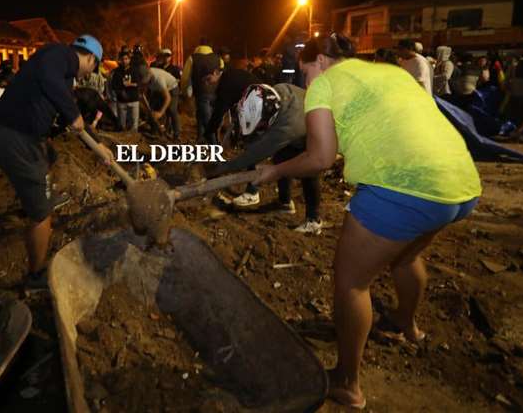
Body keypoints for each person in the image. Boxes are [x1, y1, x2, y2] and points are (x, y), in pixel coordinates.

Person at [255, 33, 481, 409]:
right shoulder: (390, 72)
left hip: (403, 188)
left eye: (306, 71)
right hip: (460, 183)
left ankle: (347, 382)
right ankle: (407, 326)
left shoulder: (323, 85)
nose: (305, 81)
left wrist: (274, 172)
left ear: (321, 61)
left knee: (351, 283)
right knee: (406, 257)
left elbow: (319, 158)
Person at [0, 35, 113, 288]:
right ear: (89, 58)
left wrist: (97, 144)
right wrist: (72, 113)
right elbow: (50, 81)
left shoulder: (63, 77)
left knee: (49, 156)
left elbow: (71, 117)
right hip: (15, 137)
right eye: (94, 66)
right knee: (43, 215)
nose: (91, 72)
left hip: (17, 135)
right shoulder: (58, 55)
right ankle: (35, 275)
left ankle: (32, 200)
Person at [211, 83, 323, 231]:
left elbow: (252, 155)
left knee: (309, 171)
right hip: (303, 119)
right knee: (281, 159)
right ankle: (284, 203)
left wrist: (221, 168)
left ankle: (314, 220)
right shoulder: (274, 93)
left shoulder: (285, 130)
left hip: (317, 135)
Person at [205, 60, 259, 145]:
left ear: (216, 73)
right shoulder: (230, 74)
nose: (208, 83)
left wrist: (209, 131)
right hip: (258, 95)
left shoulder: (224, 84)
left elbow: (219, 111)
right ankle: (237, 142)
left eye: (208, 79)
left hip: (255, 100)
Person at [181, 38, 223, 142]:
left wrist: (185, 92)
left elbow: (185, 78)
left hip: (201, 92)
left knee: (206, 119)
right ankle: (200, 139)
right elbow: (223, 75)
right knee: (202, 115)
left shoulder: (192, 58)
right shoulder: (218, 59)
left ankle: (214, 146)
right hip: (216, 92)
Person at [139, 63, 181, 140]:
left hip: (172, 88)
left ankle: (177, 134)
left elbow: (168, 98)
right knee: (153, 109)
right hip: (157, 90)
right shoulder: (145, 76)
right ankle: (156, 130)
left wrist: (161, 113)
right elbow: (142, 93)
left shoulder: (158, 80)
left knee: (172, 110)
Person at [110, 49, 141, 131]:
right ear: (120, 60)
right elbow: (113, 86)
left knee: (134, 124)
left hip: (134, 100)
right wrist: (120, 91)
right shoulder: (117, 71)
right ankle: (123, 141)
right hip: (122, 101)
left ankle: (134, 141)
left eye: (126, 59)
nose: (124, 61)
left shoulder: (134, 70)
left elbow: (139, 83)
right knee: (122, 125)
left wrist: (131, 84)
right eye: (122, 59)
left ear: (129, 60)